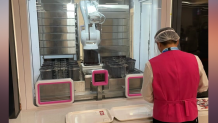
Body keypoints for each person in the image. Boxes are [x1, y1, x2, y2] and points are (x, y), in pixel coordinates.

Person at [141, 27, 208, 123]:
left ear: (158, 44)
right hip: (190, 114)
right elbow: (203, 87)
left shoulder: (151, 64)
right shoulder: (195, 59)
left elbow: (147, 95)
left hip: (163, 115)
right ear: (177, 41)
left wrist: (163, 101)